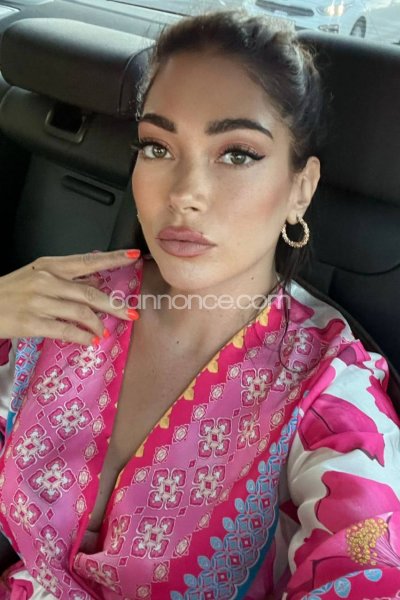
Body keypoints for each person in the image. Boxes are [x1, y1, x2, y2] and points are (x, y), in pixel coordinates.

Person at [0, 10, 399, 600]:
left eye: (237, 154)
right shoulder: (66, 299)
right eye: (158, 147)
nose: (185, 193)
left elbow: (365, 564)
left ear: (300, 189)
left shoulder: (330, 395)